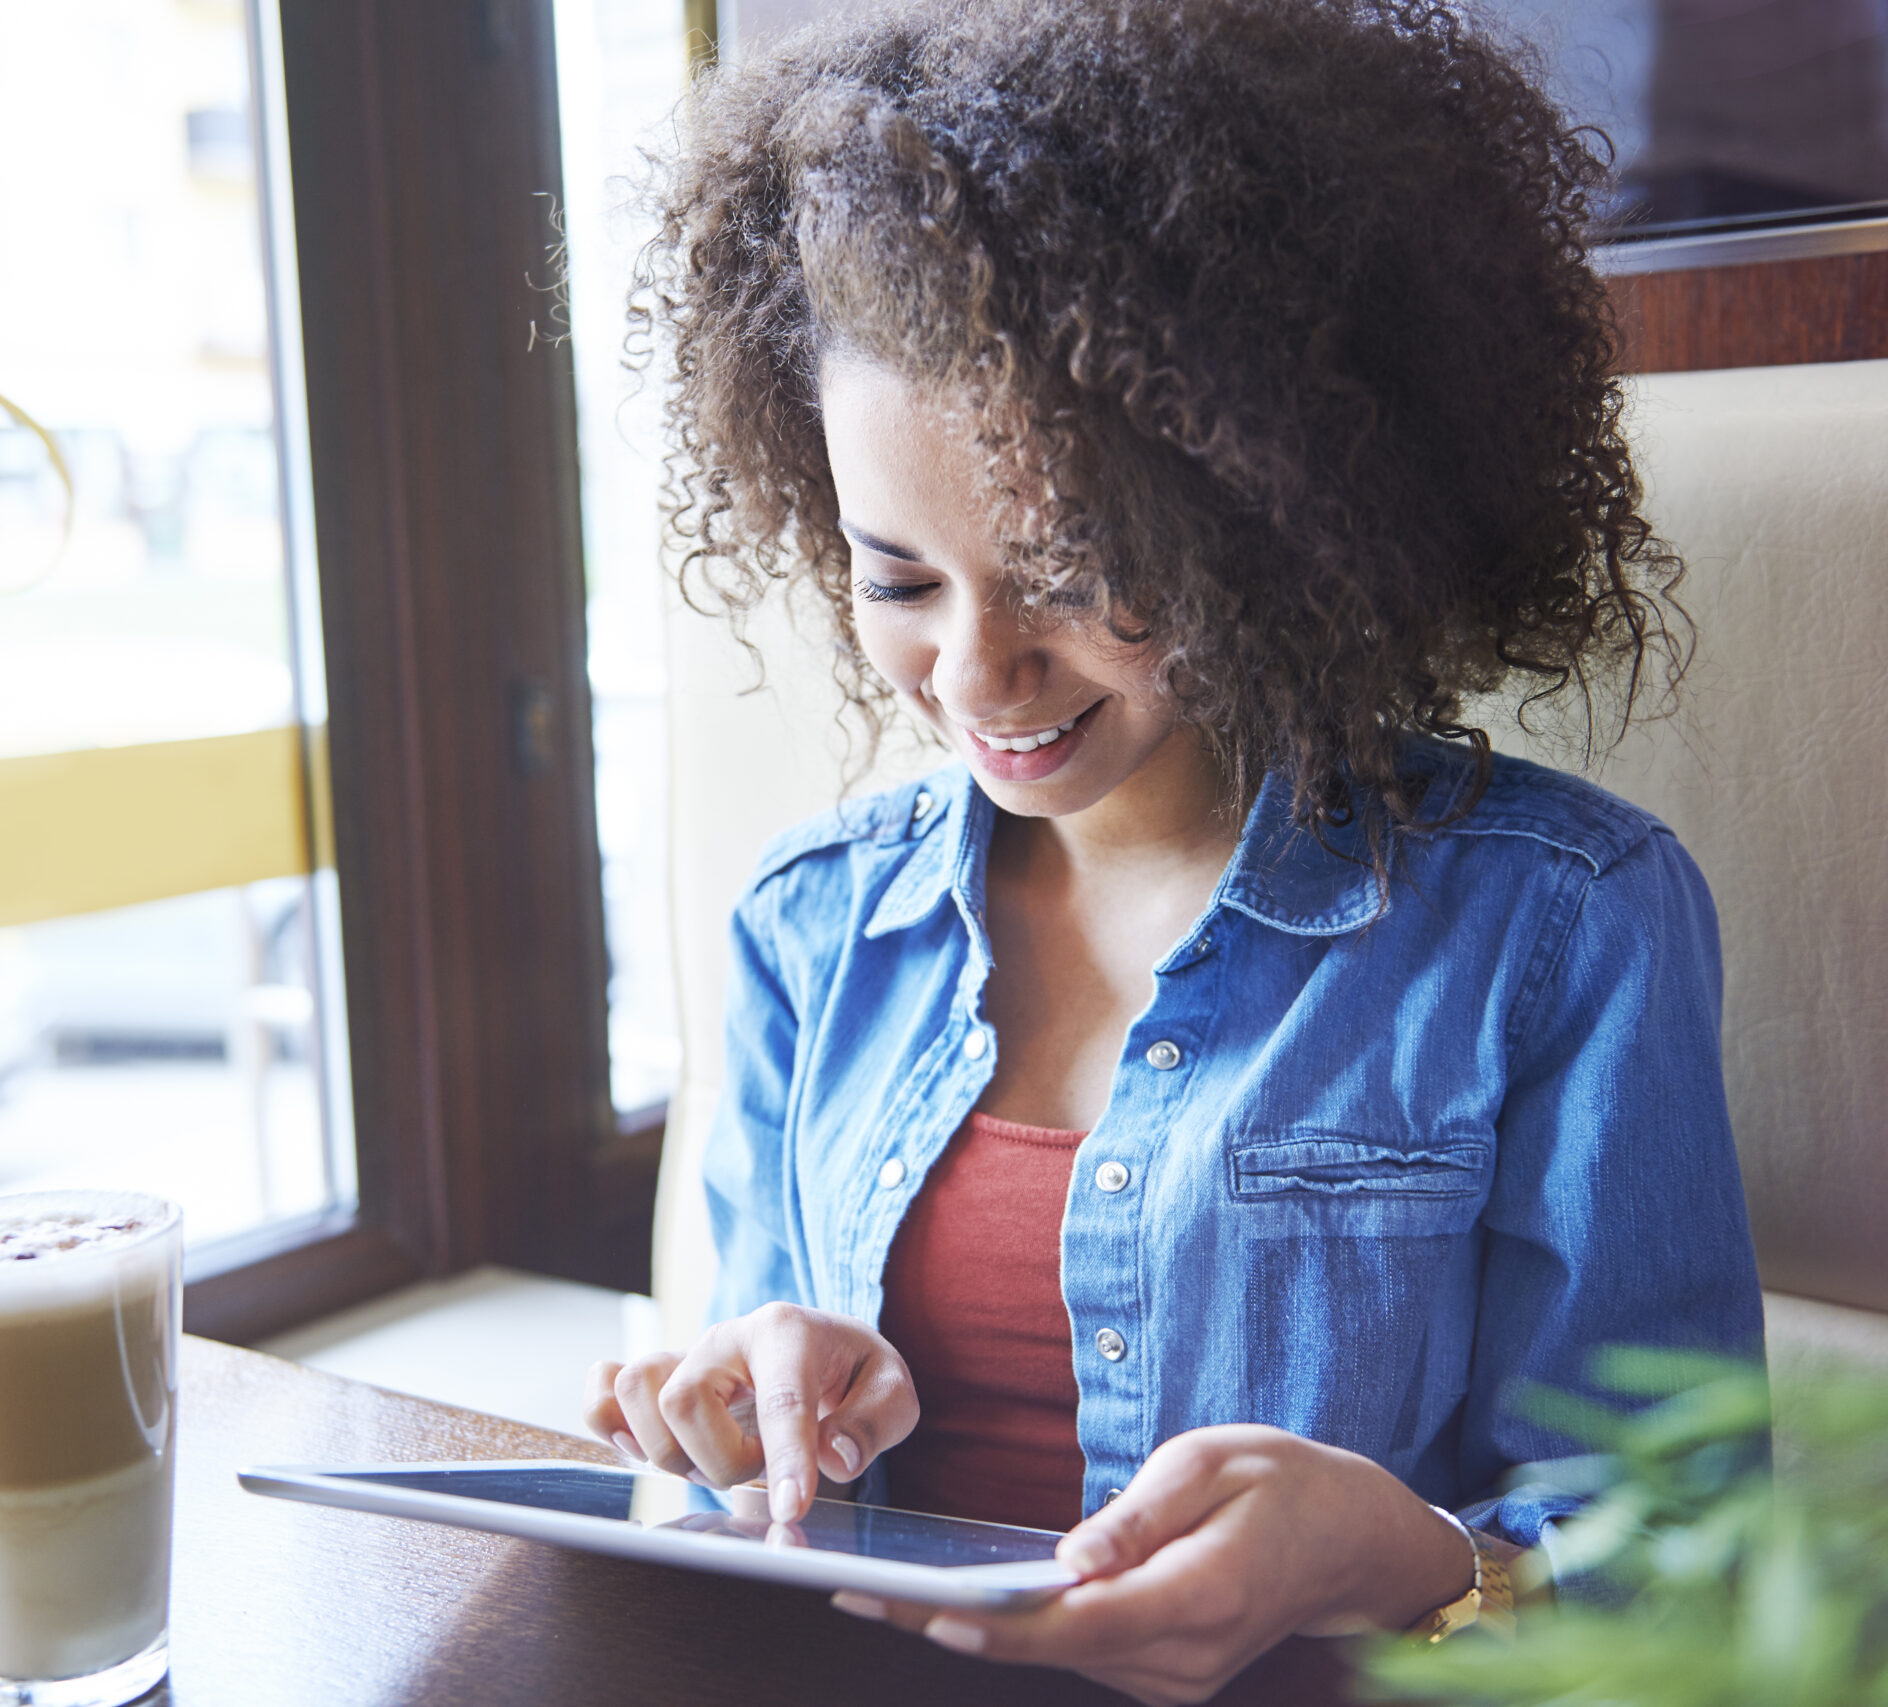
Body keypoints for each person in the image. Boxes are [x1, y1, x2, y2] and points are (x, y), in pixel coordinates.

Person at [582, 0, 1764, 1699]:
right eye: (899, 579)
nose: (975, 675)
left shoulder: (1561, 927)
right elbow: (759, 1484)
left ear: (1268, 526)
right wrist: (745, 1405)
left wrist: (1401, 1557)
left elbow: (1699, 1568)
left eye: (1078, 575)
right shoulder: (809, 922)